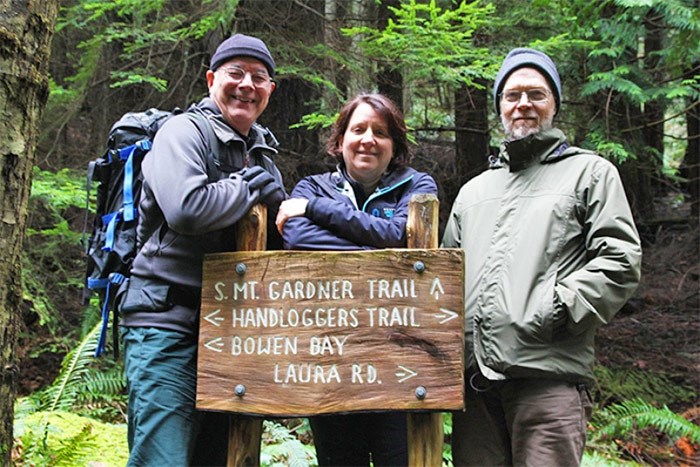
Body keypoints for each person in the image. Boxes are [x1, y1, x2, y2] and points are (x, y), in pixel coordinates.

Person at [442, 48, 642, 466]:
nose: (524, 105)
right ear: (500, 106)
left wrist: (552, 310)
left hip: (547, 381)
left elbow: (620, 260)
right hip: (475, 389)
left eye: (536, 94)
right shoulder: (474, 192)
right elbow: (447, 278)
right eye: (512, 95)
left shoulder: (590, 173)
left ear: (554, 103)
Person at [118, 33, 286, 466]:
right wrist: (249, 188)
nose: (247, 85)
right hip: (167, 324)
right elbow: (187, 209)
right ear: (212, 78)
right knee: (164, 458)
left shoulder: (263, 151)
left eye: (259, 77)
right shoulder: (182, 133)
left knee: (221, 458)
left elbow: (276, 242)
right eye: (235, 73)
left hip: (231, 334)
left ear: (270, 90)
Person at [276, 93, 438, 466]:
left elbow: (401, 233)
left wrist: (318, 212)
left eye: (380, 132)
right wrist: (382, 253)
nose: (368, 139)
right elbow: (298, 238)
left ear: (394, 144)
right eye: (358, 129)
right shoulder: (313, 185)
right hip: (331, 361)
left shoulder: (417, 185)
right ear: (340, 140)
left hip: (399, 361)